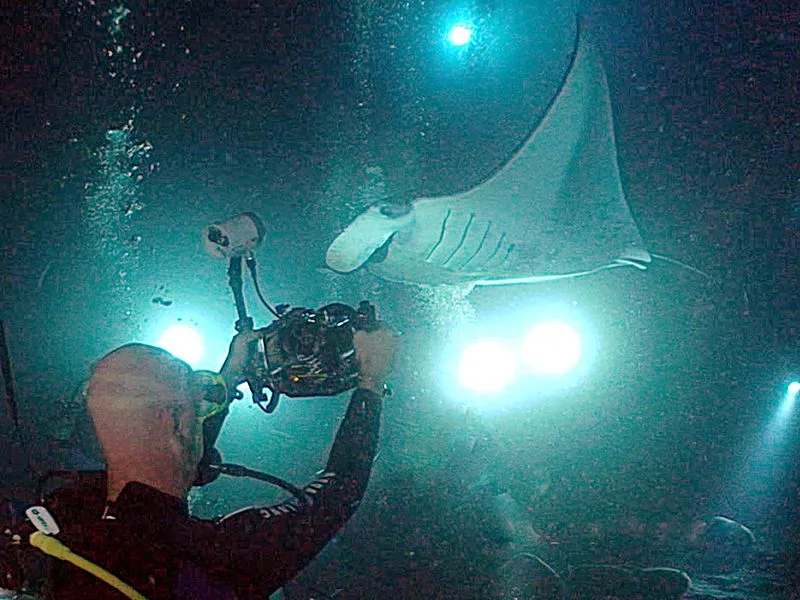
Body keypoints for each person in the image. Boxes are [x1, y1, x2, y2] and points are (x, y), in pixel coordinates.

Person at [1, 323, 398, 599]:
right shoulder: (211, 559)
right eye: (198, 399)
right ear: (173, 422)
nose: (207, 407)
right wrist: (371, 381)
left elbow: (165, 470)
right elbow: (339, 488)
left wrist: (233, 374)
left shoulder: (63, 521)